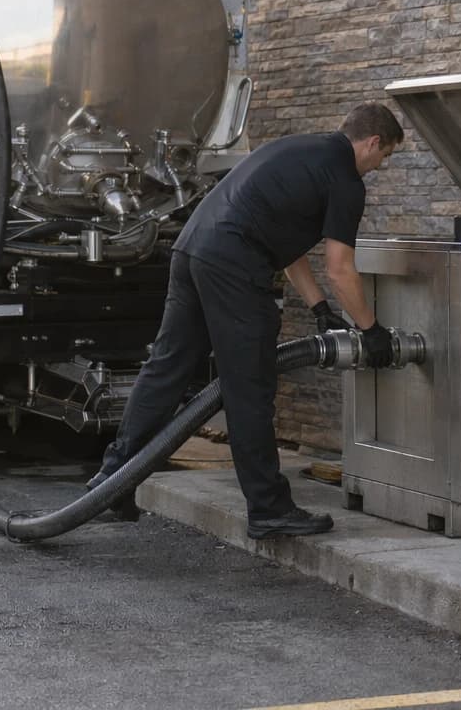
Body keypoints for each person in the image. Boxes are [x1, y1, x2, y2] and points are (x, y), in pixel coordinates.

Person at [90, 103, 405, 538]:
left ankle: (112, 481)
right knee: (249, 387)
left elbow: (286, 241)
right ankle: (269, 508)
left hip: (193, 249)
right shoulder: (345, 179)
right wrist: (371, 330)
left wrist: (318, 308)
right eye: (384, 156)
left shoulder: (300, 152)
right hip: (233, 265)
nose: (379, 166)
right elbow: (341, 268)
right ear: (372, 142)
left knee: (167, 369)